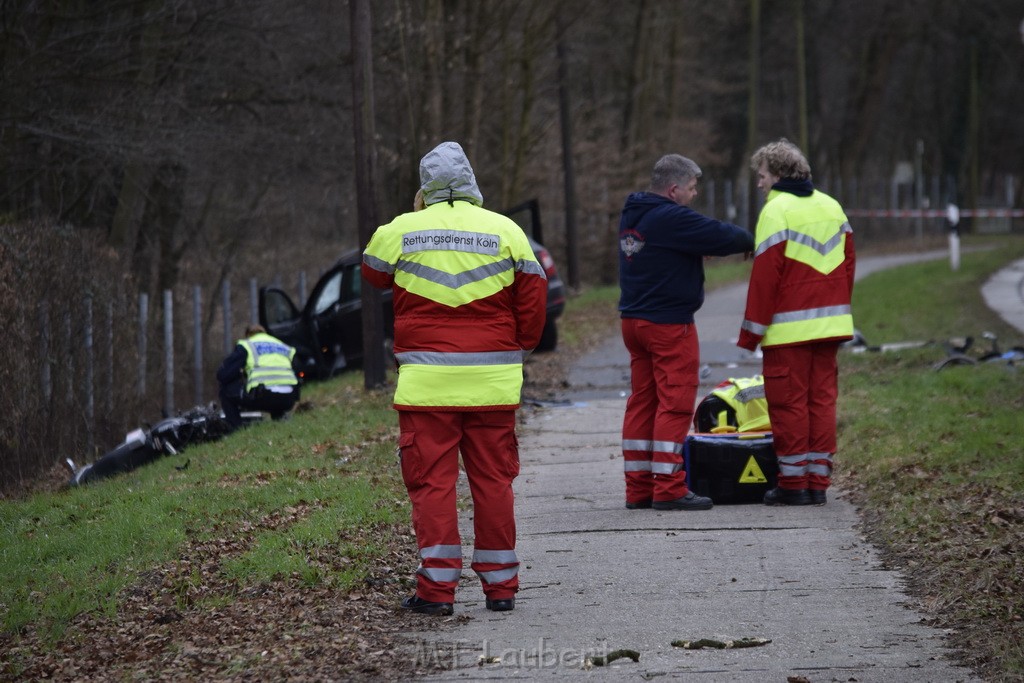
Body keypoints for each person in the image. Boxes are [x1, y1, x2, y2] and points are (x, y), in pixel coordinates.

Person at [361, 141, 547, 616]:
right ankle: (502, 587)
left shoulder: (402, 230)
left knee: (433, 486)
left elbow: (372, 273)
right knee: (493, 482)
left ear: (424, 185)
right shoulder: (507, 230)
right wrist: (516, 348)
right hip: (493, 384)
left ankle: (436, 592)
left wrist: (417, 218)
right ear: (470, 181)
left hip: (426, 388)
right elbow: (533, 302)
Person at [618, 154, 754, 511]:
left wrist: (692, 254)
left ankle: (639, 488)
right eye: (692, 189)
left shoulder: (635, 213)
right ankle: (669, 488)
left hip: (633, 322)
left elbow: (669, 250)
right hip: (668, 325)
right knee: (675, 403)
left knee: (642, 403)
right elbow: (725, 235)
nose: (695, 195)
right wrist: (750, 241)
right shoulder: (672, 216)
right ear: (675, 189)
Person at [737, 139, 856, 506]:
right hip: (830, 328)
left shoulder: (777, 211)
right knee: (822, 402)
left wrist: (750, 333)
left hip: (788, 333)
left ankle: (792, 486)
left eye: (761, 176)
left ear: (776, 174)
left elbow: (765, 280)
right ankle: (817, 484)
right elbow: (848, 264)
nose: (759, 184)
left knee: (788, 405)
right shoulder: (832, 205)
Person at [216, 324, 300, 430]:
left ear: (248, 335)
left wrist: (239, 375)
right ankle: (280, 422)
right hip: (289, 398)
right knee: (277, 391)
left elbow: (223, 375)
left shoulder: (247, 345)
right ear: (264, 333)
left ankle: (236, 430)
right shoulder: (281, 345)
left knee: (225, 391)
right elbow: (297, 369)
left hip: (264, 396)